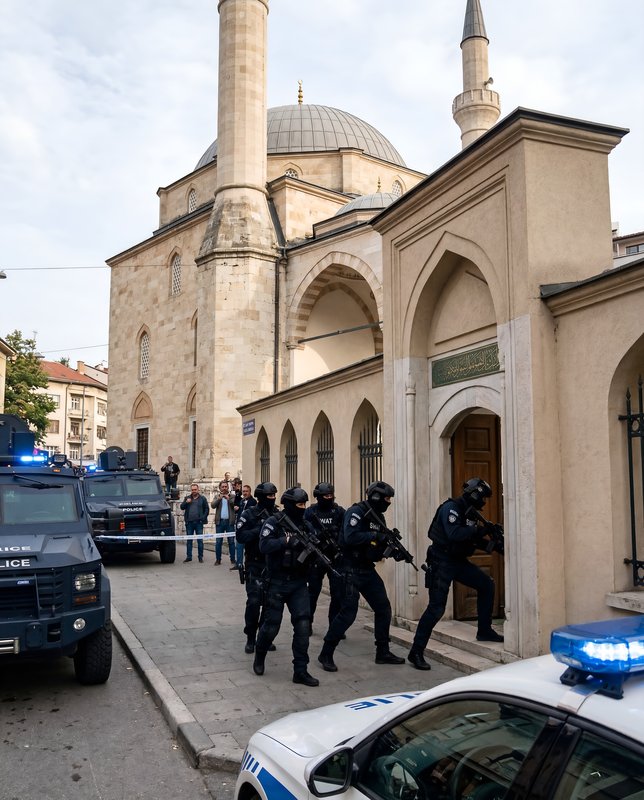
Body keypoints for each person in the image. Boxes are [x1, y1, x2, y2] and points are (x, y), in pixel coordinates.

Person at [407, 478, 504, 671]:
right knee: (436, 609)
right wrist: (479, 529)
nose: (484, 501)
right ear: (475, 494)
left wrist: (494, 545)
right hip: (441, 561)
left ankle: (484, 630)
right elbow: (454, 534)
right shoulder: (451, 508)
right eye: (483, 497)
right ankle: (416, 652)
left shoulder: (471, 514)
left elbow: (472, 540)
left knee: (486, 584)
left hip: (458, 562)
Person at [318, 481, 405, 672]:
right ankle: (326, 652)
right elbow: (350, 537)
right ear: (376, 497)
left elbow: (378, 546)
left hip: (366, 569)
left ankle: (382, 651)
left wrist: (391, 551)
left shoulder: (379, 517)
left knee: (383, 608)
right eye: (386, 498)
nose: (388, 502)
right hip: (348, 568)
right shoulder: (356, 512)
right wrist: (376, 536)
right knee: (348, 613)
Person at [253, 487, 320, 687]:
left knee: (302, 625)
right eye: (299, 505)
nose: (302, 508)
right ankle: (260, 654)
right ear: (289, 504)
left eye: (304, 505)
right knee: (272, 625)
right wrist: (287, 541)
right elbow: (264, 546)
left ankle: (300, 670)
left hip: (299, 582)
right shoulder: (274, 522)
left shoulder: (306, 525)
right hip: (276, 581)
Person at [235, 482, 277, 655]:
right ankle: (250, 638)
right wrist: (260, 530)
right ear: (261, 497)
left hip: (272, 565)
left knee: (270, 604)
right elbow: (241, 536)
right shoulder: (249, 514)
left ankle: (264, 636)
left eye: (274, 495)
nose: (273, 498)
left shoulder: (277, 514)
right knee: (254, 603)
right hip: (254, 564)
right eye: (270, 496)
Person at [303, 482, 345, 634]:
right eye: (326, 496)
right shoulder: (310, 512)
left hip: (334, 558)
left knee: (337, 594)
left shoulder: (339, 511)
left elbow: (345, 531)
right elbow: (303, 531)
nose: (329, 498)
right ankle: (307, 623)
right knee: (312, 593)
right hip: (316, 557)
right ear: (319, 497)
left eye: (331, 495)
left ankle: (334, 626)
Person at [180, 483, 209, 563]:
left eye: (195, 489)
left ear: (198, 489)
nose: (194, 491)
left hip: (199, 523)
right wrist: (186, 502)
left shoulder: (202, 498)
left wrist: (203, 517)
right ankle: (189, 557)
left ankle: (200, 557)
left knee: (200, 541)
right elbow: (182, 507)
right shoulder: (187, 498)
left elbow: (206, 509)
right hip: (189, 523)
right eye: (192, 490)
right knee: (189, 541)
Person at [211, 481, 237, 567]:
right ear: (220, 488)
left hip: (229, 522)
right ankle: (218, 559)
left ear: (228, 488)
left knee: (231, 542)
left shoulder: (232, 496)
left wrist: (228, 499)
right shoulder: (217, 496)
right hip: (220, 522)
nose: (224, 488)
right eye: (223, 487)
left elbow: (235, 505)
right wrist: (219, 499)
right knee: (218, 542)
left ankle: (232, 559)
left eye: (226, 487)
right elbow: (213, 505)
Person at [233, 484, 256, 566]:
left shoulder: (253, 502)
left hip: (248, 528)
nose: (245, 493)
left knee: (248, 548)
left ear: (250, 492)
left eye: (246, 491)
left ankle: (248, 563)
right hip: (240, 527)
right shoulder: (241, 501)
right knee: (238, 546)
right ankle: (239, 564)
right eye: (243, 491)